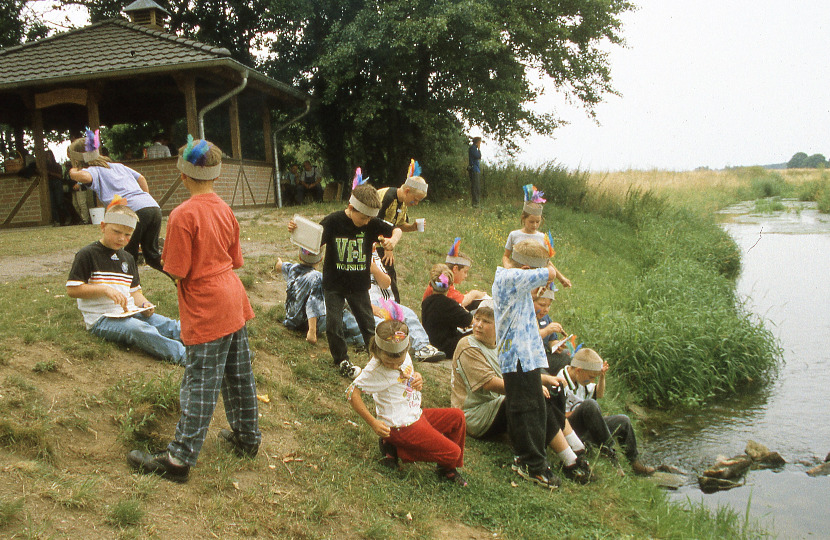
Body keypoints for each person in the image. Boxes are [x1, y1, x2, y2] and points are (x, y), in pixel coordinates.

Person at [128, 137, 261, 483]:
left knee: (200, 380)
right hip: (234, 297)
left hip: (207, 306)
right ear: (216, 177)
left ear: (183, 176)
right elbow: (234, 260)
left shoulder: (183, 214)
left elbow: (176, 269)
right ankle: (248, 438)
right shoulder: (225, 209)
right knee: (238, 373)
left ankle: (178, 459)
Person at [451, 303, 591, 483]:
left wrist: (546, 380)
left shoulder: (502, 345)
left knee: (552, 391)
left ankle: (576, 448)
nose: (478, 324)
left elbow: (521, 372)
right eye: (477, 319)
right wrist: (530, 388)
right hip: (476, 413)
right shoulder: (468, 345)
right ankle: (571, 460)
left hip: (500, 402)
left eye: (486, 321)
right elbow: (489, 384)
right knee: (530, 396)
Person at [288, 175, 402, 377]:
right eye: (364, 218)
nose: (367, 222)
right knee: (334, 325)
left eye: (370, 218)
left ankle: (376, 360)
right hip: (334, 285)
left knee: (368, 325)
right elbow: (311, 243)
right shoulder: (333, 221)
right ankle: (341, 360)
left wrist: (393, 240)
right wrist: (298, 232)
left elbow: (396, 230)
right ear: (351, 207)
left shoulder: (371, 223)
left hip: (359, 286)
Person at [348, 315, 468, 486]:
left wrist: (416, 377)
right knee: (454, 453)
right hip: (401, 426)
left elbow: (406, 374)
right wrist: (373, 423)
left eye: (399, 362)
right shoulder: (375, 369)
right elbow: (351, 393)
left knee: (457, 417)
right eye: (389, 362)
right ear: (378, 352)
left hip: (415, 414)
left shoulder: (403, 354)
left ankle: (446, 469)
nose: (395, 366)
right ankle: (397, 450)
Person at [66, 200, 185, 365]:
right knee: (139, 330)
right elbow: (73, 290)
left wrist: (145, 304)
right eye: (116, 232)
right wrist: (104, 289)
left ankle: (207, 341)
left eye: (128, 234)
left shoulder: (128, 258)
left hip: (130, 311)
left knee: (168, 324)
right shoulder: (87, 254)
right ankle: (186, 357)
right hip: (102, 318)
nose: (121, 238)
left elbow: (134, 292)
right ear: (103, 226)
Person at [492, 239, 565, 489]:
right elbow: (551, 272)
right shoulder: (510, 278)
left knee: (530, 405)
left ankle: (527, 458)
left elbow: (545, 274)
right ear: (525, 271)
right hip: (518, 356)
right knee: (527, 408)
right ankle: (532, 465)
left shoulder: (513, 278)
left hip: (525, 355)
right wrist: (545, 268)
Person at [68, 129, 166, 276]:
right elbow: (141, 178)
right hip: (152, 207)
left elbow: (85, 178)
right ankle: (180, 280)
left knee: (127, 256)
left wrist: (72, 172)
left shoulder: (94, 170)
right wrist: (145, 198)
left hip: (131, 211)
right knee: (152, 255)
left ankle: (131, 291)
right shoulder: (118, 166)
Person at [556, 348, 655, 476]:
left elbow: (599, 393)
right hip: (570, 431)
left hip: (588, 426)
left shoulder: (581, 378)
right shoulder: (559, 382)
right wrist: (581, 411)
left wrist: (601, 377)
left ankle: (634, 462)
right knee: (590, 405)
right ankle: (610, 454)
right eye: (591, 377)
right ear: (579, 370)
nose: (592, 381)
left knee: (623, 421)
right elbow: (556, 417)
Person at [343, 245, 446, 362]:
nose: (373, 245)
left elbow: (386, 283)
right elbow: (345, 295)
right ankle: (393, 351)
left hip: (382, 301)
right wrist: (369, 307)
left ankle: (422, 348)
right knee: (381, 325)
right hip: (359, 305)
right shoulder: (347, 260)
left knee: (408, 314)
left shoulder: (374, 257)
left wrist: (374, 269)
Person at [375, 159, 429, 302]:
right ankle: (391, 305)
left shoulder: (403, 202)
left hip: (385, 242)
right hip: (374, 242)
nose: (415, 204)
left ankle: (394, 305)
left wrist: (412, 227)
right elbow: (374, 223)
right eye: (415, 200)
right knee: (386, 275)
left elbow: (398, 225)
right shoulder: (388, 197)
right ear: (407, 191)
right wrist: (388, 245)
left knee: (391, 275)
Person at [502, 185, 571, 289]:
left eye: (537, 222)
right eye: (531, 221)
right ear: (523, 218)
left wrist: (561, 278)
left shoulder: (542, 237)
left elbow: (546, 262)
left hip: (536, 281)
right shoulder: (514, 235)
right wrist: (507, 266)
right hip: (518, 277)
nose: (534, 225)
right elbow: (506, 256)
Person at [421, 264, 473, 357]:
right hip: (446, 347)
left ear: (431, 284)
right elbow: (470, 321)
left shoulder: (426, 302)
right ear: (450, 285)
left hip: (431, 342)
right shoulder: (449, 304)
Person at [422, 238, 487, 309]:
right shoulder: (443, 283)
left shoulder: (444, 281)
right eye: (465, 272)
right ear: (455, 269)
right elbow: (463, 301)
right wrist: (474, 293)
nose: (466, 276)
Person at [278, 248, 326, 344]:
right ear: (321, 259)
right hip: (305, 325)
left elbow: (279, 266)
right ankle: (360, 338)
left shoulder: (293, 268)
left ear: (300, 256)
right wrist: (312, 331)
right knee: (341, 311)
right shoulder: (317, 277)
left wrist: (279, 262)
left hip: (291, 321)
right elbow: (313, 303)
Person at [532, 286, 573, 375]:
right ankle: (550, 383)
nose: (546, 309)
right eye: (542, 305)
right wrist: (547, 330)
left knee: (567, 355)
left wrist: (557, 346)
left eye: (548, 305)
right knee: (543, 377)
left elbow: (551, 340)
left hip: (544, 357)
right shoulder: (527, 317)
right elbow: (531, 338)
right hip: (531, 361)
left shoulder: (545, 318)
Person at [47, 149, 70, 226]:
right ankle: (57, 220)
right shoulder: (45, 167)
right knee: (52, 203)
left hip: (57, 184)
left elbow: (60, 176)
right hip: (49, 184)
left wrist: (50, 173)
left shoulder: (57, 166)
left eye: (48, 156)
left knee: (60, 202)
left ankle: (66, 217)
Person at [468, 136, 482, 208]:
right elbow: (478, 156)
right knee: (475, 187)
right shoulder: (473, 148)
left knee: (476, 187)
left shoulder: (473, 148)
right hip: (474, 169)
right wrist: (479, 149)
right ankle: (475, 203)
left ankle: (476, 203)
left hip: (476, 169)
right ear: (477, 142)